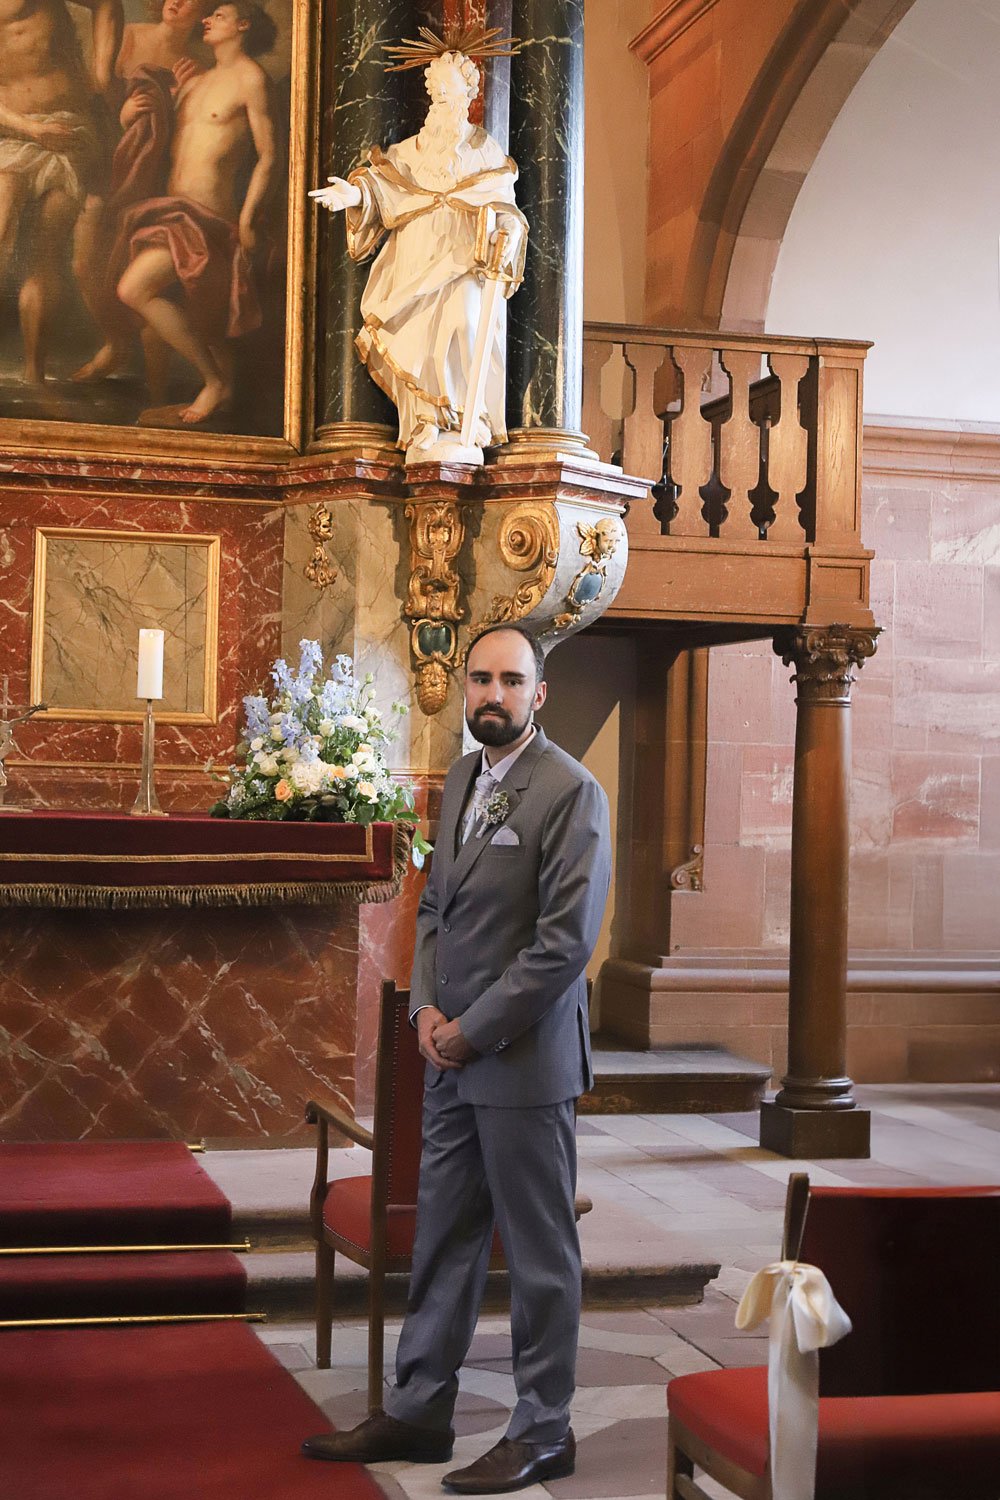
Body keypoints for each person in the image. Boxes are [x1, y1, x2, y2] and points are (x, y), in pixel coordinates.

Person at [302, 624, 612, 1495]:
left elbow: (562, 948)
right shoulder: (466, 780)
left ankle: (545, 1428)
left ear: (539, 693)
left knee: (541, 1254)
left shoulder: (572, 793)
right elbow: (434, 905)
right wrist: (429, 1007)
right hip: (450, 1056)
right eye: (480, 678)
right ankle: (419, 1409)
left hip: (522, 1065)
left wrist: (471, 1029)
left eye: (511, 680)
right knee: (442, 1239)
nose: (492, 694)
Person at [311, 46, 527, 463]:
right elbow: (385, 187)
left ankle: (469, 419)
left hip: (463, 259)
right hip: (413, 258)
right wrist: (353, 194)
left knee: (465, 320)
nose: (440, 97)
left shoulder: (486, 150)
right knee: (418, 340)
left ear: (468, 93)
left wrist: (508, 230)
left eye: (447, 89)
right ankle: (426, 422)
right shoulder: (409, 150)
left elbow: (504, 203)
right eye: (435, 90)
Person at [109, 0, 277, 424]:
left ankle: (214, 382)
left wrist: (248, 217)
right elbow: (161, 138)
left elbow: (270, 155)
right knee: (190, 315)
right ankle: (222, 385)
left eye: (218, 16)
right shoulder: (197, 81)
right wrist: (142, 109)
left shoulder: (251, 78)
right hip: (169, 212)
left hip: (208, 220)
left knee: (135, 289)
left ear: (243, 25)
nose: (206, 19)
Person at [0, 0, 122, 383]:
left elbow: (107, 3)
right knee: (2, 223)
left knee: (44, 252)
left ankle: (34, 372)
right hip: (13, 133)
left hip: (70, 128)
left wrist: (102, 71)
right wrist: (30, 129)